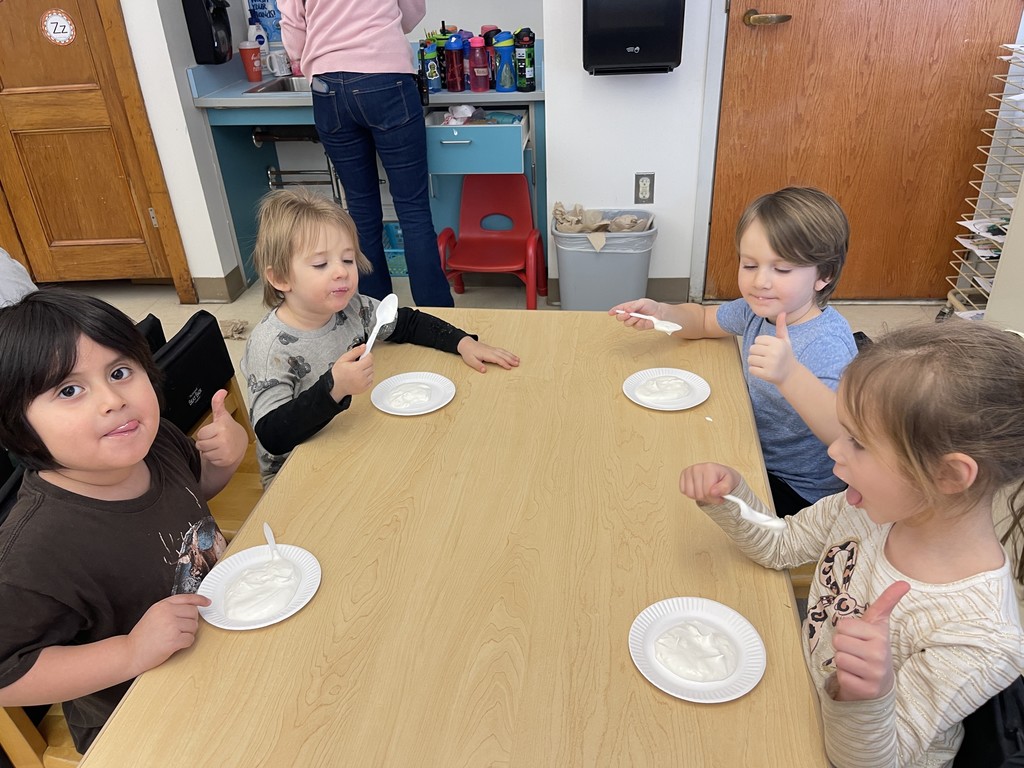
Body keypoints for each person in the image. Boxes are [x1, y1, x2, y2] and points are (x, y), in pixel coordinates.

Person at [679, 321, 1024, 767]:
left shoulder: (980, 637)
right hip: (798, 690)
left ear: (949, 475)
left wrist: (866, 694)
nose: (834, 451)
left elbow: (871, 762)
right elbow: (781, 548)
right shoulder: (864, 507)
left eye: (858, 442)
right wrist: (731, 498)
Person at [0, 289, 248, 753]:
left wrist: (222, 464)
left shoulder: (155, 444)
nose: (113, 400)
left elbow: (191, 499)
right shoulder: (34, 549)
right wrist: (130, 651)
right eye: (69, 390)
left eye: (119, 372)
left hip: (228, 634)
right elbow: (7, 675)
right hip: (144, 720)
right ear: (19, 423)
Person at [241, 189, 519, 485]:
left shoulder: (353, 307)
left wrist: (463, 342)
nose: (341, 272)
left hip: (350, 440)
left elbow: (407, 323)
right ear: (280, 278)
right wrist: (334, 389)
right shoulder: (269, 347)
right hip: (295, 475)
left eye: (347, 260)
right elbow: (272, 435)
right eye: (321, 264)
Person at [612, 187, 856, 515]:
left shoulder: (824, 343)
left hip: (797, 489)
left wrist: (790, 375)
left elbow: (846, 437)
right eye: (750, 265)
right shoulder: (759, 310)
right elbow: (702, 319)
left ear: (823, 275)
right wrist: (663, 314)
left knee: (674, 508)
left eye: (781, 269)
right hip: (750, 444)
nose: (760, 282)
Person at [278, 0, 455, 308]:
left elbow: (293, 29)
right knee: (413, 210)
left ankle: (374, 318)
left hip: (327, 84)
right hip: (387, 78)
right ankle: (437, 319)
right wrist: (377, 30)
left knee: (360, 212)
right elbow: (413, 11)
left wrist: (310, 53)